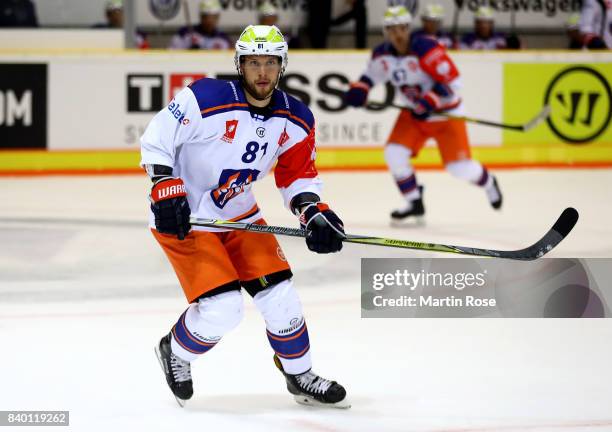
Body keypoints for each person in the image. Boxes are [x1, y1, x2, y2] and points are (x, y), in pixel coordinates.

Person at [141, 24, 349, 408]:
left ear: (282, 65)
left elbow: (298, 174)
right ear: (240, 64)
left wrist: (312, 210)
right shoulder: (206, 96)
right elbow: (157, 137)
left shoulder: (296, 117)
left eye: (270, 62)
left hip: (239, 214)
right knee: (223, 310)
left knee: (281, 296)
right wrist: (163, 183)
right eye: (253, 62)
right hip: (187, 217)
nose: (262, 72)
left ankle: (299, 374)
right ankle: (176, 351)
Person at [344, 6, 502, 222]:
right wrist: (360, 89)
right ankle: (414, 201)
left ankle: (489, 182)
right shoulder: (382, 54)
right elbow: (371, 76)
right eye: (391, 29)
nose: (397, 34)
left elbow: (453, 82)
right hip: (414, 115)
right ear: (385, 32)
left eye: (401, 28)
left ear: (408, 28)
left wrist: (431, 100)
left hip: (446, 114)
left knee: (459, 168)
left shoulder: (426, 48)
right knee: (394, 153)